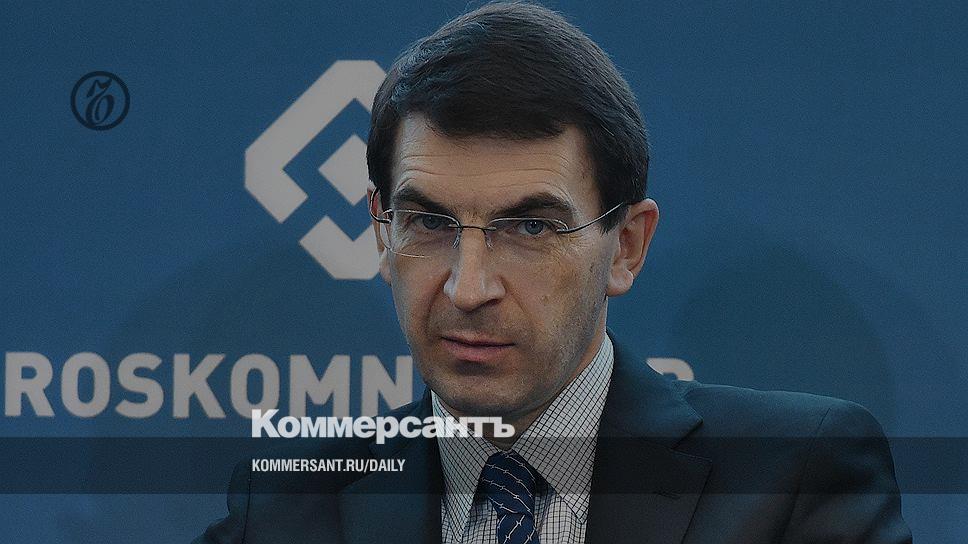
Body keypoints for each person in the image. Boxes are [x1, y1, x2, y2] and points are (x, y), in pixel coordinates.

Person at [197, 2, 911, 542]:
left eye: (530, 228)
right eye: (430, 223)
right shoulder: (287, 505)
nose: (468, 289)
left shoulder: (791, 478)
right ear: (383, 232)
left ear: (625, 247)